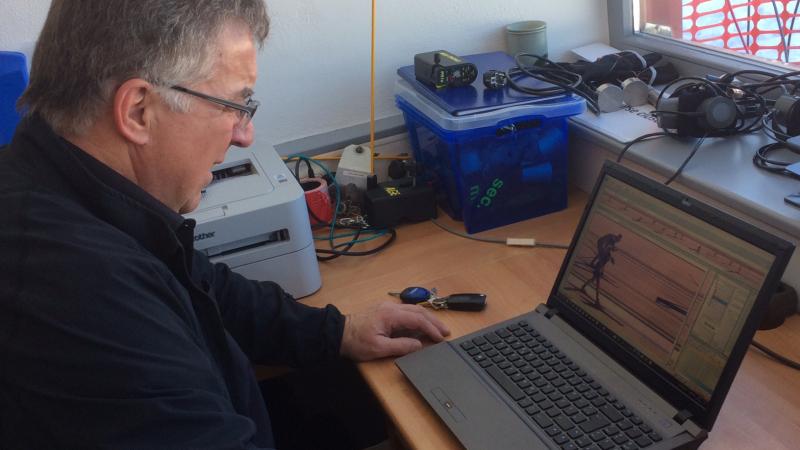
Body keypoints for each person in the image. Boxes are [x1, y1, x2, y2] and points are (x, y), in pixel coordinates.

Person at [0, 1, 449, 448]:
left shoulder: (66, 182)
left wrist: (338, 333)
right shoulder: (77, 292)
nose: (244, 134)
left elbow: (206, 288)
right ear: (138, 110)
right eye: (233, 104)